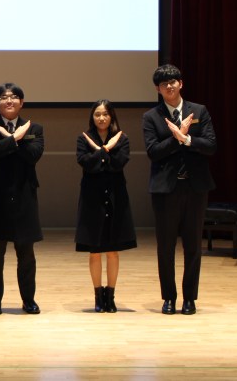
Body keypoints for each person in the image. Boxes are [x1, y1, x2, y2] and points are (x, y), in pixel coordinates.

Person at [141, 64, 217, 316]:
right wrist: (176, 139)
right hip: (165, 190)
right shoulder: (151, 117)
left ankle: (189, 298)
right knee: (165, 247)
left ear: (181, 84)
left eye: (173, 81)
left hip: (195, 188)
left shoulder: (199, 111)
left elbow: (210, 145)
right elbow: (153, 152)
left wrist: (186, 138)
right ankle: (169, 298)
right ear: (158, 89)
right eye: (164, 84)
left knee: (193, 246)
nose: (169, 86)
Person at [0, 83, 45, 315]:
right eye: (3, 97)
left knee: (26, 255)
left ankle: (29, 300)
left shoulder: (34, 128)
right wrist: (14, 139)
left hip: (24, 198)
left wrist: (10, 139)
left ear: (21, 103)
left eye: (14, 97)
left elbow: (33, 156)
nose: (9, 101)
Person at [75, 99, 137, 313]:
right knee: (94, 251)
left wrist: (99, 154)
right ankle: (98, 296)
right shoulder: (84, 138)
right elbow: (86, 164)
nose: (101, 118)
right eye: (97, 114)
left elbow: (118, 164)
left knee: (112, 251)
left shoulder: (122, 138)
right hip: (91, 198)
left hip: (115, 196)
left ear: (112, 116)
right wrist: (106, 150)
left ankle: (110, 296)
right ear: (92, 117)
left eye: (105, 114)